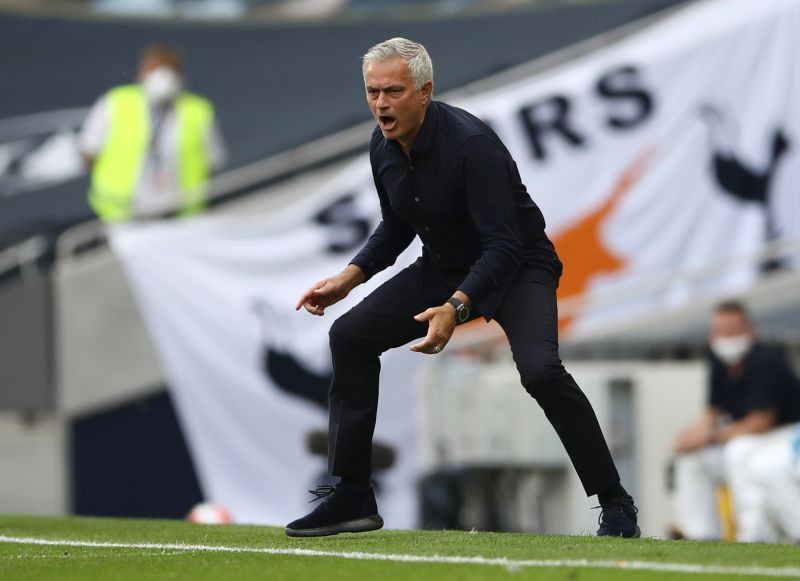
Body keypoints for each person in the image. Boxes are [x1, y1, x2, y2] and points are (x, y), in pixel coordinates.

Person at [286, 37, 639, 538]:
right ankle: (352, 496)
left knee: (540, 372)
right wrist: (350, 275)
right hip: (446, 265)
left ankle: (615, 502)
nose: (381, 104)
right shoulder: (381, 146)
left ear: (425, 91)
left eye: (392, 91)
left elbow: (504, 246)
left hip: (519, 267)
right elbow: (395, 225)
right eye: (372, 92)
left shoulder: (472, 145)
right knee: (349, 335)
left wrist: (456, 306)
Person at [672, 300, 800, 542]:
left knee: (737, 451)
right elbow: (712, 410)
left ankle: (753, 532)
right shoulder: (718, 362)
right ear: (711, 335)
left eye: (733, 331)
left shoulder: (766, 361)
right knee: (692, 457)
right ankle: (698, 534)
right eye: (721, 331)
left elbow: (761, 421)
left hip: (784, 435)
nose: (727, 338)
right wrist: (692, 438)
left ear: (751, 331)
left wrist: (707, 437)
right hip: (750, 435)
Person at [79, 43, 226, 222]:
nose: (163, 75)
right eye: (156, 67)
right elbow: (89, 152)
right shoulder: (116, 102)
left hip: (181, 216)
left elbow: (213, 161)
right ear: (142, 71)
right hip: (121, 214)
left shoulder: (197, 110)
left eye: (170, 68)